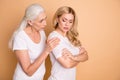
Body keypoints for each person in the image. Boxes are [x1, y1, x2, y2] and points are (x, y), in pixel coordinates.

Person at [8, 4, 59, 80]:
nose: (45, 23)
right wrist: (46, 51)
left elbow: (49, 49)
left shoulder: (41, 32)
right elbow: (28, 71)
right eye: (41, 21)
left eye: (45, 19)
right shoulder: (20, 37)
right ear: (30, 22)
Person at [48, 6, 88, 80]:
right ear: (57, 19)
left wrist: (73, 57)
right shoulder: (54, 37)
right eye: (64, 20)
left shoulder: (71, 37)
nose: (67, 24)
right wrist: (79, 57)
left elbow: (86, 56)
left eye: (70, 21)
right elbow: (67, 64)